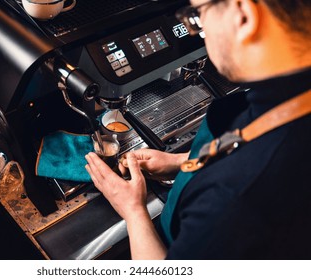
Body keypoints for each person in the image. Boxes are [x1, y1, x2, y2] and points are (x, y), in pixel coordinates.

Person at [85, 0, 311, 259]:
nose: (196, 29)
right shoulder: (289, 98)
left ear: (243, 15)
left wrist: (133, 210)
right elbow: (258, 134)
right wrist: (184, 161)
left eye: (197, 14)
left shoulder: (235, 199)